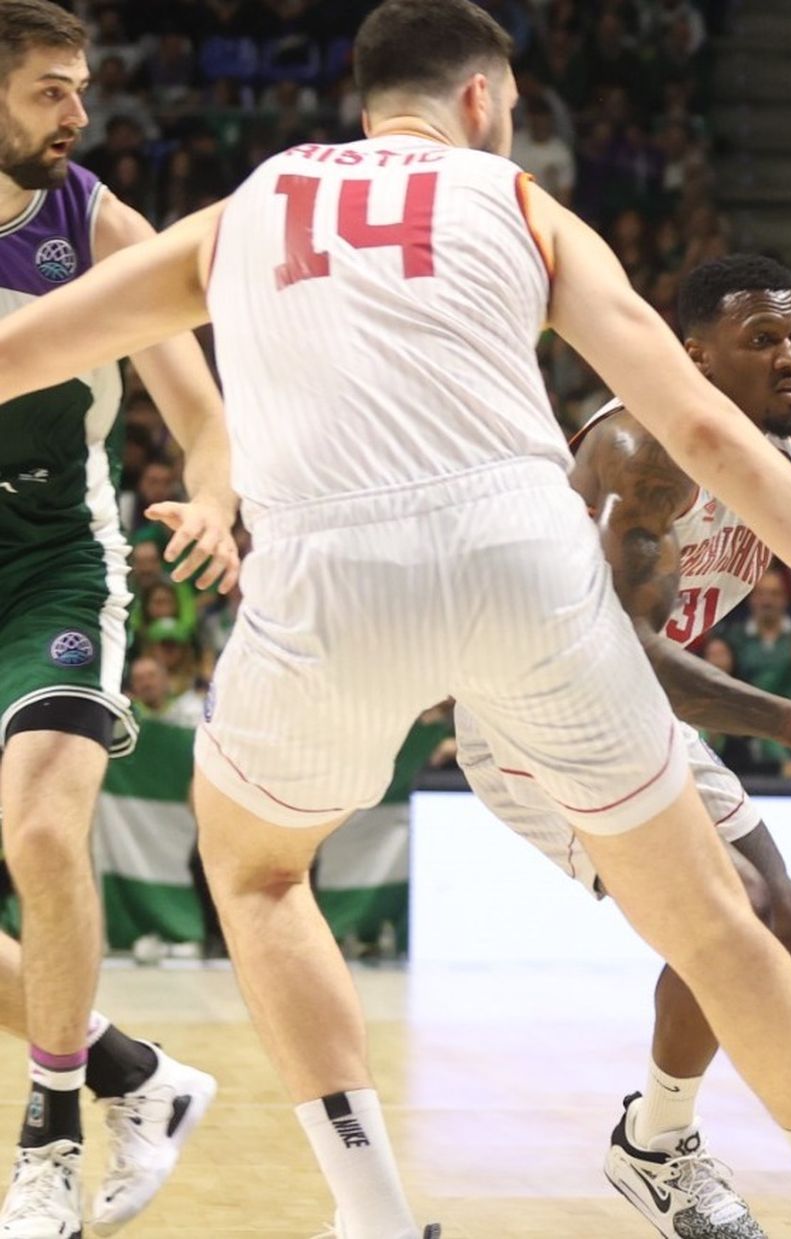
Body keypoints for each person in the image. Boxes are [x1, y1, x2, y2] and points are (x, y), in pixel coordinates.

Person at [0, 4, 791, 1237]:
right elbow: (711, 431)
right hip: (522, 566)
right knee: (718, 916)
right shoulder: (526, 206)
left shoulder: (247, 207)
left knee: (263, 869)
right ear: (487, 104)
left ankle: (376, 1215)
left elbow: (23, 353)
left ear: (362, 103)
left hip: (330, 577)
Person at [459, 254, 791, 1238]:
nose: (790, 360)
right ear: (691, 359)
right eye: (761, 343)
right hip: (533, 710)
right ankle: (660, 1147)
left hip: (633, 710)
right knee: (737, 914)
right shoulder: (638, 452)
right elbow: (612, 644)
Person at [0, 3, 234, 1233]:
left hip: (55, 563)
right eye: (49, 90)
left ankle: (45, 1144)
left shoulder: (96, 224)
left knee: (42, 831)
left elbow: (203, 417)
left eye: (80, 89)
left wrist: (213, 500)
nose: (77, 115)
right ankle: (135, 1073)